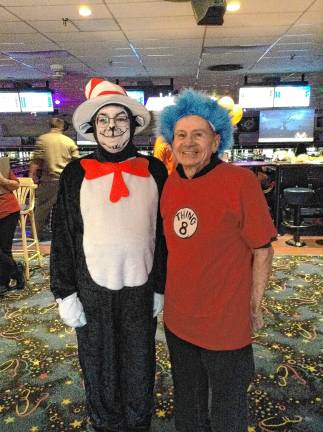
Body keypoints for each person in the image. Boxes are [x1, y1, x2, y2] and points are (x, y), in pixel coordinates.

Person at [50, 78, 167, 432]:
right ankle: (105, 423)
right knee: (99, 363)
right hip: (92, 290)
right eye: (104, 120)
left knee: (139, 362)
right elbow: (63, 238)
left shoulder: (155, 170)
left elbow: (163, 237)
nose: (112, 127)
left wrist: (160, 285)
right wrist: (64, 291)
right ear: (92, 127)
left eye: (120, 118)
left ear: (132, 125)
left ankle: (138, 422)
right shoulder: (74, 174)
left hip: (140, 288)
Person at [158, 89, 277, 432]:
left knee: (228, 404)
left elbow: (263, 249)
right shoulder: (169, 185)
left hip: (226, 318)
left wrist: (254, 305)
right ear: (171, 140)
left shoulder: (240, 182)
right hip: (180, 318)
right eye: (181, 134)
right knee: (188, 399)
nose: (189, 142)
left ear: (216, 139)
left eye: (199, 134)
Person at [29, 117, 79, 240]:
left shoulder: (43, 139)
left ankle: (36, 235)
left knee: (42, 208)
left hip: (49, 180)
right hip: (66, 181)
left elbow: (37, 161)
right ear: (62, 127)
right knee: (68, 208)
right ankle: (69, 235)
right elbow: (76, 162)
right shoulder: (69, 141)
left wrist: (32, 176)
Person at [0, 167, 24, 295]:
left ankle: (3, 282)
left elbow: (16, 185)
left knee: (4, 248)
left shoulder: (1, 166)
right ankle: (16, 270)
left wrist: (3, 181)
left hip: (7, 211)